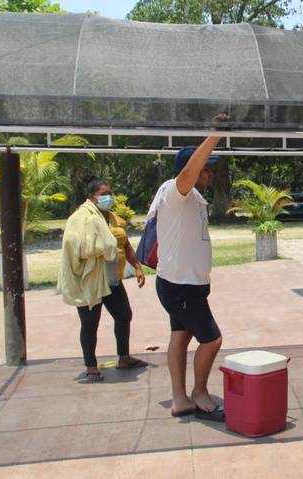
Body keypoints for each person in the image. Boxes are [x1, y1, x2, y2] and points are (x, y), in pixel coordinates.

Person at [151, 138, 224, 419]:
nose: (209, 173)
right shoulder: (174, 191)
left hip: (187, 285)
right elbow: (188, 174)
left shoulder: (193, 197)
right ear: (191, 169)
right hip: (180, 286)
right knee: (212, 340)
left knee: (180, 338)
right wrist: (214, 135)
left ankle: (180, 399)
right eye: (206, 168)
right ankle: (198, 392)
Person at [58, 178, 148, 382]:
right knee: (90, 324)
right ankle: (91, 366)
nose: (109, 197)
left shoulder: (114, 218)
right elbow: (73, 244)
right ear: (91, 197)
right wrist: (97, 247)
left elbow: (124, 243)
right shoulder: (81, 217)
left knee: (124, 315)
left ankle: (124, 357)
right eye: (103, 194)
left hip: (113, 279)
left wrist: (137, 267)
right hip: (91, 279)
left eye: (110, 193)